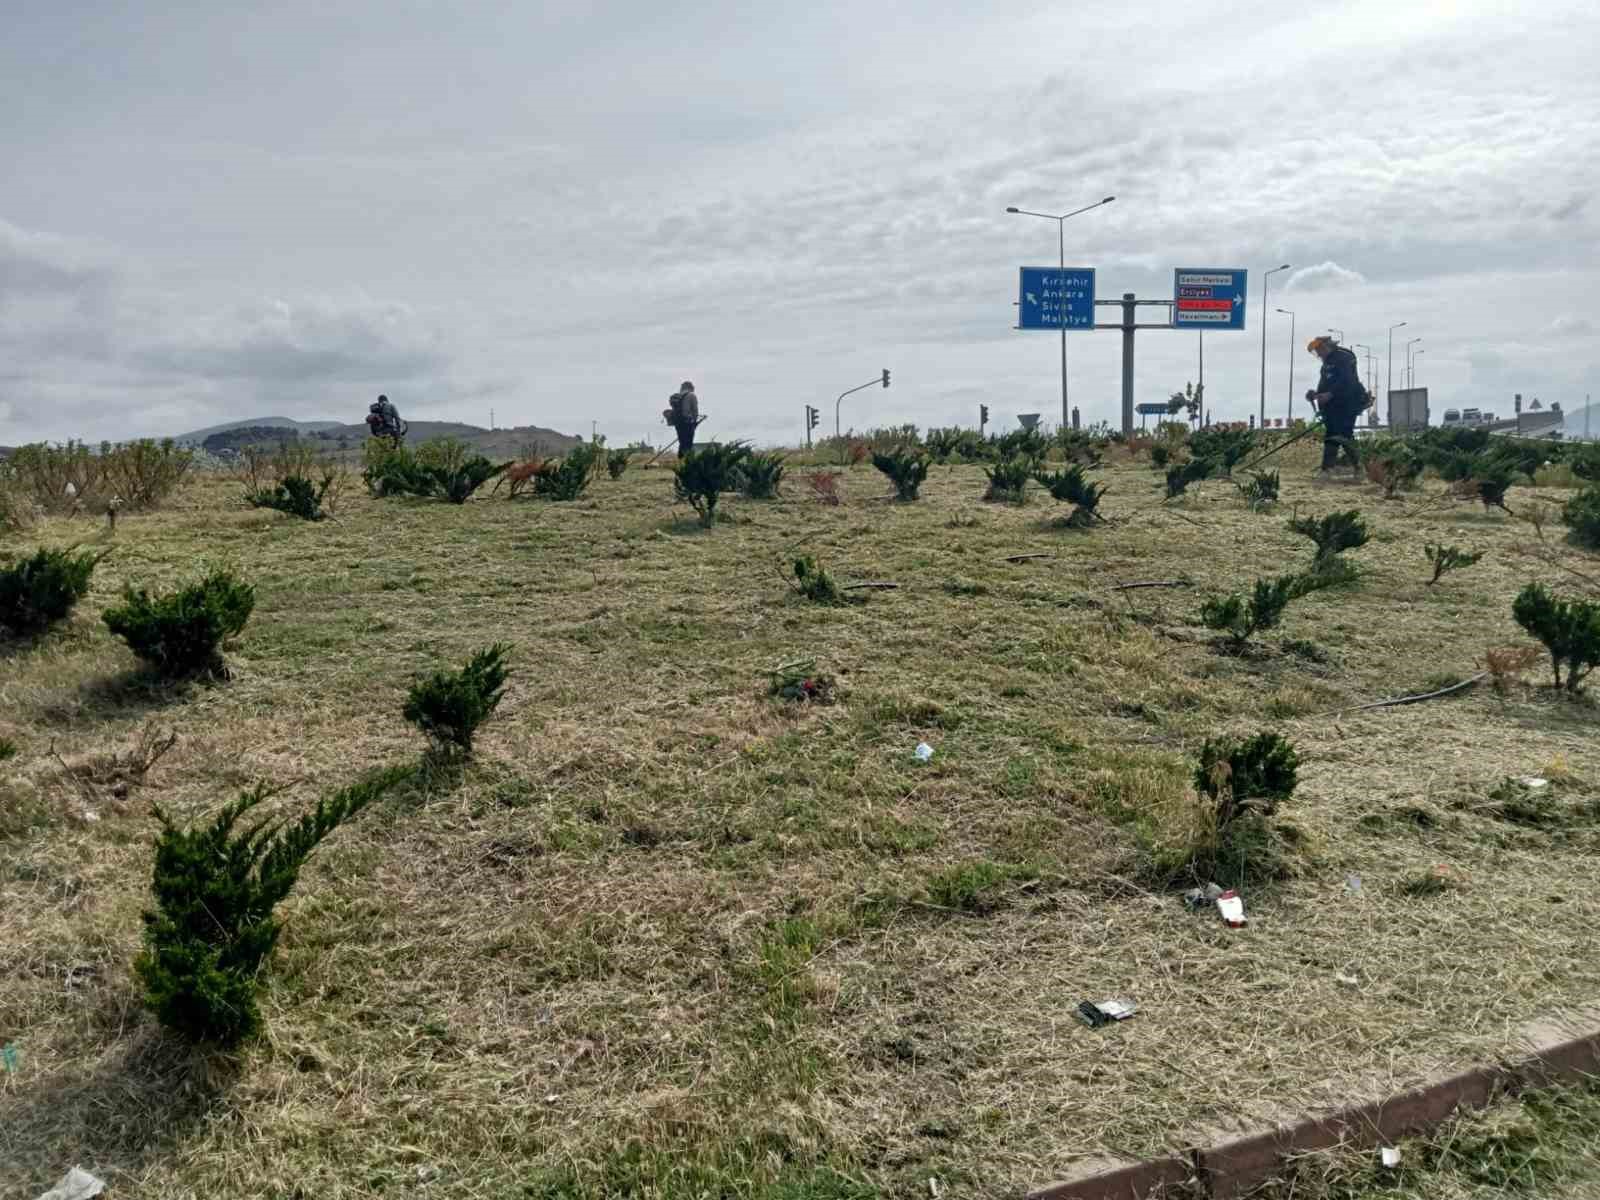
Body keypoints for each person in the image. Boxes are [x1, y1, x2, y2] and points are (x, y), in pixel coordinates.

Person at [1306, 337, 1367, 476]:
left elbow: (1348, 380)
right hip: (1333, 405)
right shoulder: (1326, 363)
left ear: (1326, 346)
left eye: (1319, 350)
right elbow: (1325, 384)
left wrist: (1331, 394)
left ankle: (1354, 468)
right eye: (1316, 352)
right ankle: (1335, 469)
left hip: (1348, 402)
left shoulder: (1344, 357)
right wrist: (1315, 394)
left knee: (1342, 434)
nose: (1318, 354)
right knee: (1335, 434)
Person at [664, 380, 701, 456]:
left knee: (682, 443)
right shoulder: (692, 395)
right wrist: (694, 422)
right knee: (688, 444)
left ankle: (680, 459)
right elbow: (695, 411)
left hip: (678, 423)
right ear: (690, 387)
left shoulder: (678, 396)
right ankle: (686, 459)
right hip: (688, 422)